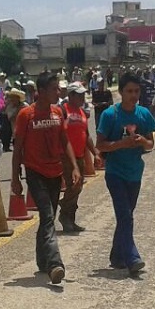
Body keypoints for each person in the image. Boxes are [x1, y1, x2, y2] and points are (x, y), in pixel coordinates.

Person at [11, 71, 80, 285]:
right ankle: (54, 264)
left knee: (47, 217)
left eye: (58, 88)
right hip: (35, 172)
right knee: (48, 216)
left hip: (55, 172)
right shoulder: (26, 115)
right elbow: (18, 148)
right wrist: (15, 178)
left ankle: (42, 260)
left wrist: (74, 167)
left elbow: (64, 140)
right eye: (54, 89)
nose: (58, 92)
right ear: (41, 92)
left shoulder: (58, 112)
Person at [96, 72, 155, 274]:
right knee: (125, 216)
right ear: (121, 92)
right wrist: (121, 144)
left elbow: (150, 144)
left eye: (136, 91)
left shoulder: (143, 114)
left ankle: (117, 256)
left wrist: (142, 141)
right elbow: (100, 145)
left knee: (126, 216)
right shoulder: (110, 115)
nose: (133, 95)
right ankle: (132, 258)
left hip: (135, 174)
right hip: (115, 173)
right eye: (129, 91)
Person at [61, 82, 98, 233]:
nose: (82, 98)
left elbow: (86, 134)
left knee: (78, 187)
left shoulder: (82, 112)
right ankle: (65, 215)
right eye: (79, 95)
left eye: (83, 95)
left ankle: (70, 218)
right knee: (73, 186)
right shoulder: (63, 110)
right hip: (66, 157)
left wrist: (95, 153)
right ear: (70, 95)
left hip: (80, 155)